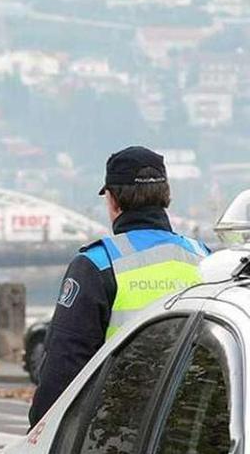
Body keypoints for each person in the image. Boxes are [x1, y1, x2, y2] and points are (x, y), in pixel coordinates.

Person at [28, 146, 209, 426]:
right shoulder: (204, 258)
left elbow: (63, 367)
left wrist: (39, 430)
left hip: (117, 428)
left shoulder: (98, 264)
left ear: (112, 201)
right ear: (166, 197)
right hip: (193, 425)